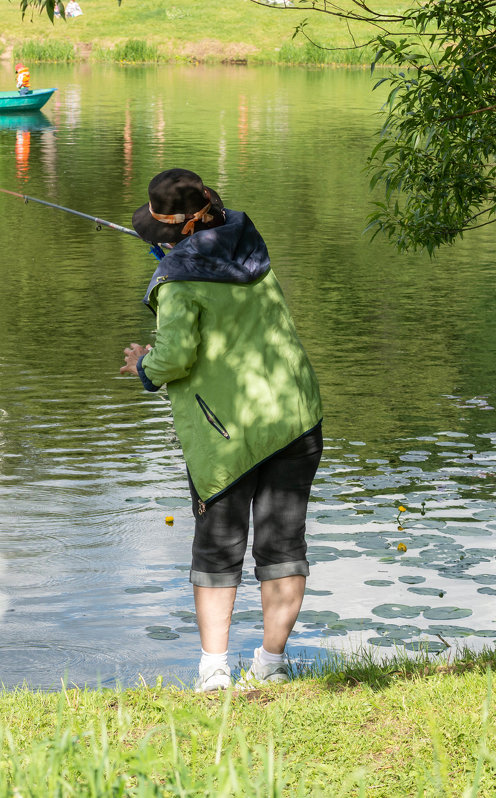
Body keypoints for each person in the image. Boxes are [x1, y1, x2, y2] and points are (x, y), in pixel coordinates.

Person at [119, 169, 323, 693]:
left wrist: (144, 364)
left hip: (227, 432)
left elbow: (176, 357)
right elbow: (221, 290)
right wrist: (178, 259)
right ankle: (272, 665)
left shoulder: (178, 280)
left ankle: (214, 671)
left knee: (217, 548)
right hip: (295, 412)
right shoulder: (244, 237)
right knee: (283, 546)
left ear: (177, 229)